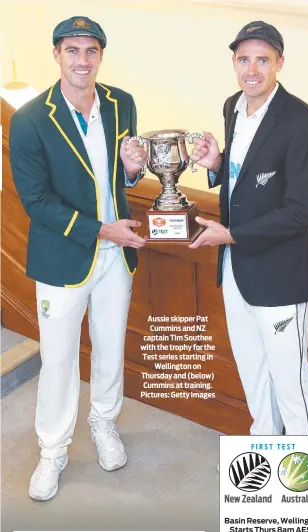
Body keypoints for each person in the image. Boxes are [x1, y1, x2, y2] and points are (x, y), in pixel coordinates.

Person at [9, 16, 147, 501]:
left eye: (91, 51)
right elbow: (37, 202)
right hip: (63, 257)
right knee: (60, 359)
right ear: (57, 54)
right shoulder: (28, 120)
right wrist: (100, 230)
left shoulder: (120, 102)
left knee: (110, 347)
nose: (82, 61)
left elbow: (123, 176)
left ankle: (104, 423)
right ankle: (52, 450)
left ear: (100, 56)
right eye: (72, 50)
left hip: (116, 257)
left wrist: (131, 174)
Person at [189, 21, 308, 437]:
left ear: (279, 63)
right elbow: (247, 173)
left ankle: (301, 485)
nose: (252, 69)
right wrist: (217, 165)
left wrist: (229, 235)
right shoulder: (233, 106)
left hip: (282, 276)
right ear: (234, 62)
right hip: (236, 269)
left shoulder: (303, 122)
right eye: (244, 59)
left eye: (263, 60)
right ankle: (263, 465)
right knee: (254, 373)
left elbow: (301, 210)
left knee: (292, 383)